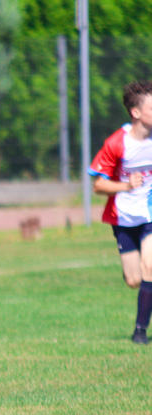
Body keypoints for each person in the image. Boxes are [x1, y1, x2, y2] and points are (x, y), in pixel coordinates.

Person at [89, 80, 152, 345]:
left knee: (150, 267)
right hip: (124, 219)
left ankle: (140, 332)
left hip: (150, 216)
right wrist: (127, 185)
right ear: (136, 113)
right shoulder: (117, 143)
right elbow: (98, 185)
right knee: (134, 280)